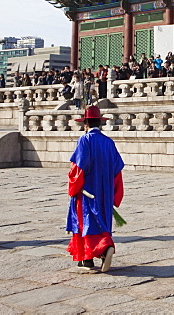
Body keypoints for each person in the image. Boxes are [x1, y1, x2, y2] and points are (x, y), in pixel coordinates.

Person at [67, 105, 125, 271]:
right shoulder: (108, 142)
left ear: (85, 124)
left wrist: (73, 186)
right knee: (101, 221)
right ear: (100, 123)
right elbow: (117, 171)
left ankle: (104, 248)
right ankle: (88, 258)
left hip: (87, 191)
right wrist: (115, 194)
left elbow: (77, 169)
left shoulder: (84, 140)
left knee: (86, 221)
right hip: (105, 192)